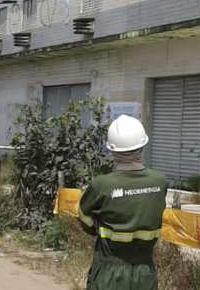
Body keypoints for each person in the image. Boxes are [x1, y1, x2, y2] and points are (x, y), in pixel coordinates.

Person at [78, 115, 167, 290]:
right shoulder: (159, 181)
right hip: (145, 273)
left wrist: (96, 227)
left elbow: (84, 218)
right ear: (142, 147)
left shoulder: (102, 185)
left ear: (113, 151)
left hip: (109, 273)